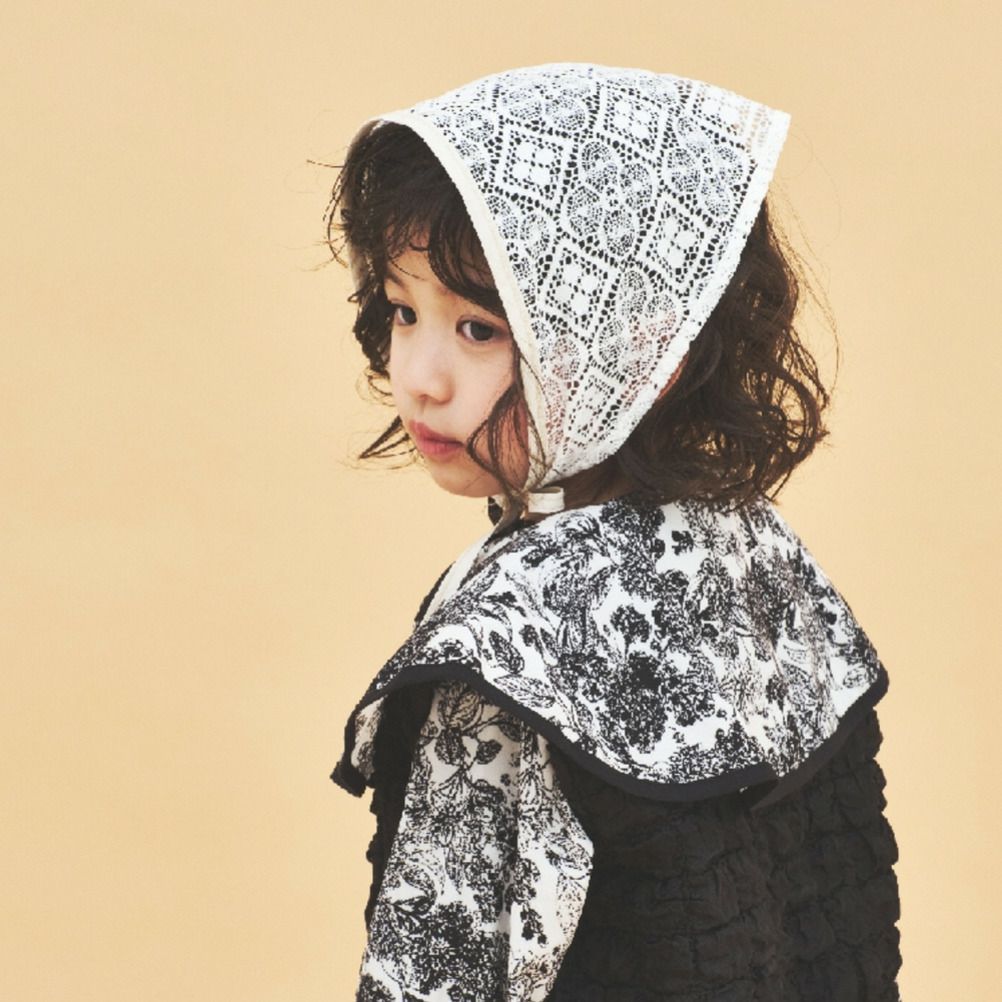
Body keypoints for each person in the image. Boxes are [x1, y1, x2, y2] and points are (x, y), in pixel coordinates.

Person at [326, 63, 901, 1001]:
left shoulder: (507, 647)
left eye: (479, 328)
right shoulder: (757, 556)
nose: (418, 377)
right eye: (402, 309)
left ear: (644, 345)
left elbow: (433, 975)